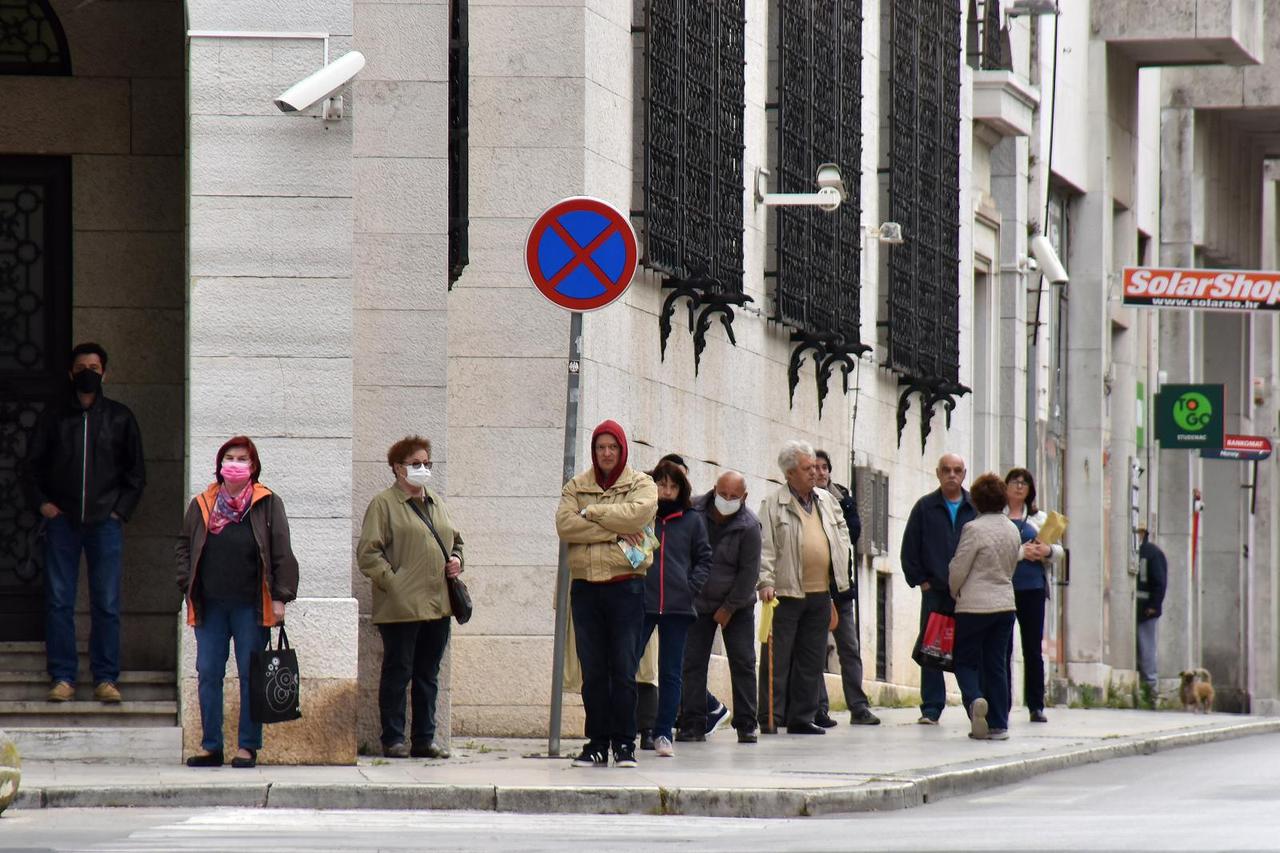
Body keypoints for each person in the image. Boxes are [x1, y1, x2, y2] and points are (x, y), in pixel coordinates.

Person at [23, 342, 145, 704]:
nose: (87, 372)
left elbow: (136, 474)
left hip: (104, 522)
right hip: (62, 521)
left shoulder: (121, 418)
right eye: (81, 367)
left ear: (104, 372)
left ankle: (105, 677)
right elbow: (30, 467)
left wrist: (119, 511)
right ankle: (63, 676)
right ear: (71, 373)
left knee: (106, 601)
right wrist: (43, 505)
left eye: (94, 366)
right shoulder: (55, 417)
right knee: (60, 600)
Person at [176, 436, 299, 768]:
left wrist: (281, 597)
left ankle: (247, 747)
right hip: (210, 605)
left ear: (253, 466)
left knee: (251, 674)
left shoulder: (267, 503)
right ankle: (211, 746)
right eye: (229, 457)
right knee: (208, 673)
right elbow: (184, 547)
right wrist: (185, 584)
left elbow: (281, 551)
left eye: (242, 458)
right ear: (219, 465)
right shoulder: (202, 503)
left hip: (251, 605)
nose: (235, 463)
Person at [555, 420, 657, 768]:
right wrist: (613, 534)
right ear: (594, 451)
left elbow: (638, 516)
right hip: (585, 589)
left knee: (624, 669)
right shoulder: (577, 485)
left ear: (622, 449)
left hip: (626, 587)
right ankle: (597, 742)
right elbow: (565, 525)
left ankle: (625, 743)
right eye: (601, 447)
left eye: (612, 447)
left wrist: (594, 513)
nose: (607, 453)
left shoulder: (641, 483)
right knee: (594, 671)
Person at [357, 435, 464, 760]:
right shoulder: (384, 504)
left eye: (426, 463)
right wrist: (394, 582)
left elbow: (455, 539)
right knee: (397, 672)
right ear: (397, 468)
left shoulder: (436, 502)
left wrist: (458, 560)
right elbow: (368, 554)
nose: (422, 469)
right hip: (401, 607)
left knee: (427, 675)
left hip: (437, 604)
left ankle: (424, 738)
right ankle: (393, 738)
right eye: (415, 464)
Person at [757, 440, 852, 735]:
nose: (814, 472)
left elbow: (842, 535)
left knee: (812, 658)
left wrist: (839, 577)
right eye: (806, 468)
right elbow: (765, 547)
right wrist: (766, 582)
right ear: (789, 473)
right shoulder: (773, 504)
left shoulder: (826, 500)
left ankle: (802, 716)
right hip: (785, 592)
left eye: (814, 467)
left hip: (820, 592)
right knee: (777, 658)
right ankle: (770, 715)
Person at [681, 470, 761, 744]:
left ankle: (747, 724)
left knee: (743, 662)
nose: (726, 500)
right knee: (691, 663)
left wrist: (729, 607)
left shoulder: (750, 526)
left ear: (744, 497)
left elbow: (749, 574)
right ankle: (692, 723)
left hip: (737, 604)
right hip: (698, 600)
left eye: (733, 497)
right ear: (714, 489)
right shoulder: (693, 509)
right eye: (723, 494)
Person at [638, 461, 710, 757]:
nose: (666, 491)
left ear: (681, 489)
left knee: (670, 673)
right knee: (626, 665)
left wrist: (690, 588)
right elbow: (627, 549)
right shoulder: (643, 515)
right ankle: (623, 730)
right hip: (643, 603)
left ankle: (663, 732)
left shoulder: (692, 520)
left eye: (672, 486)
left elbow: (704, 559)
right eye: (661, 484)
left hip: (679, 607)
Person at [901, 452, 976, 724]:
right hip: (934, 591)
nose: (952, 475)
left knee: (967, 649)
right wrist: (921, 582)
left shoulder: (974, 507)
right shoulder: (925, 507)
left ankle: (973, 704)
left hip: (968, 593)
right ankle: (931, 708)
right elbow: (909, 549)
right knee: (931, 649)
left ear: (964, 474)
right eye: (946, 470)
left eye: (957, 470)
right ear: (938, 473)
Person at [948, 473, 1021, 741]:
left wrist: (954, 590)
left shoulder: (973, 529)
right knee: (997, 664)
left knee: (964, 660)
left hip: (974, 606)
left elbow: (959, 567)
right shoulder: (1012, 529)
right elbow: (1013, 564)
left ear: (977, 500)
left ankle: (975, 700)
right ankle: (999, 723)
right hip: (1004, 605)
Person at [814, 450, 880, 727]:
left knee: (849, 648)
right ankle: (819, 708)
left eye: (824, 467)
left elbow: (853, 532)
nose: (819, 473)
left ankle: (859, 706)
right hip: (814, 588)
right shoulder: (801, 501)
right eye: (814, 467)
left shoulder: (842, 498)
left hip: (840, 587)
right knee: (814, 651)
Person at [1003, 467, 1063, 723]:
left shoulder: (1038, 519)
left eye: (1024, 483)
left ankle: (1036, 704)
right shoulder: (998, 516)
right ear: (1005, 487)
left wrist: (1046, 551)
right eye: (1014, 482)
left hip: (1033, 588)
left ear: (1030, 490)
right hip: (1004, 587)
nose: (1019, 487)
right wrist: (1021, 552)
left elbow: (1059, 552)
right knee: (1002, 648)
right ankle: (1001, 701)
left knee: (1032, 648)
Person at [1136, 527, 1168, 699]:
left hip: (1146, 610)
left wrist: (1154, 605)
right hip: (1136, 609)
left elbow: (1160, 582)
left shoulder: (1152, 553)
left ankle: (1150, 687)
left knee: (1146, 647)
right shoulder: (1138, 551)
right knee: (1141, 648)